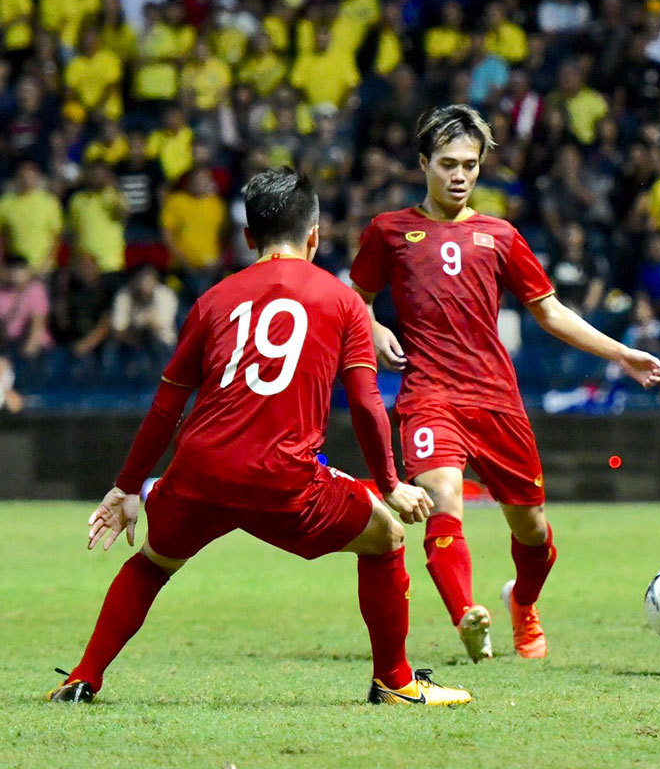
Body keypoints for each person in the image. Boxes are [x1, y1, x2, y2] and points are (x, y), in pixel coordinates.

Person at [49, 168, 471, 707]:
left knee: (152, 563)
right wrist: (390, 482)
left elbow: (166, 406)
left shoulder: (214, 300)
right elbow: (367, 404)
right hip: (282, 480)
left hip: (199, 471)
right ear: (314, 234)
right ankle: (395, 681)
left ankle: (82, 678)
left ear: (248, 237)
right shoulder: (342, 301)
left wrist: (127, 487)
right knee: (386, 535)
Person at [349, 105, 660, 663]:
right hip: (428, 397)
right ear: (424, 164)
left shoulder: (500, 235)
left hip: (497, 401)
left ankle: (522, 602)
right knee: (443, 497)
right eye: (447, 163)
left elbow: (550, 312)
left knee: (535, 532)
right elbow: (356, 300)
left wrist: (622, 355)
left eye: (470, 165)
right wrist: (374, 329)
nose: (459, 175)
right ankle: (467, 616)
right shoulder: (389, 231)